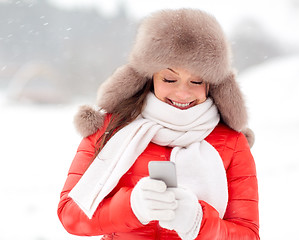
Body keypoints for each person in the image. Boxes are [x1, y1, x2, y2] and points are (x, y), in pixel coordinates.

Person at [57, 8, 259, 240]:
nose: (182, 92)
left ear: (211, 85)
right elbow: (70, 216)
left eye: (196, 80)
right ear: (149, 77)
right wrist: (132, 206)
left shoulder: (232, 144)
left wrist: (198, 222)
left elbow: (248, 234)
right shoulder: (109, 130)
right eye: (170, 79)